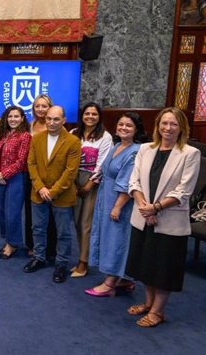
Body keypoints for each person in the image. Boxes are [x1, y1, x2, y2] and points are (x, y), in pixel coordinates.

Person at [124, 108, 200, 327]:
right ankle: (148, 303)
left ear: (182, 128)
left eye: (173, 124)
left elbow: (183, 192)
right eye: (164, 123)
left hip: (169, 220)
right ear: (157, 125)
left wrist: (155, 208)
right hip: (143, 216)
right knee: (145, 264)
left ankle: (157, 312)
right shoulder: (145, 149)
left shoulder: (189, 153)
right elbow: (134, 181)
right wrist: (144, 208)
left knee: (164, 268)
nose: (168, 128)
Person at [85, 112, 144, 297]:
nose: (123, 128)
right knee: (109, 237)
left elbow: (128, 183)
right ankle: (125, 278)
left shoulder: (135, 151)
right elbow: (105, 169)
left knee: (116, 240)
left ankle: (110, 282)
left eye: (129, 126)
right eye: (121, 125)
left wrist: (117, 206)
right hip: (106, 196)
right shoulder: (117, 145)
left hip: (121, 202)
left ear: (136, 130)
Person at [23, 105, 81, 284]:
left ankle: (61, 263)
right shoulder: (37, 138)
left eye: (56, 119)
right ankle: (39, 257)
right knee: (38, 228)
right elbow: (31, 164)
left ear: (63, 120)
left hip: (61, 195)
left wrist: (53, 191)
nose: (51, 122)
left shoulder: (72, 141)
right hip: (38, 192)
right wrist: (40, 187)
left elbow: (70, 172)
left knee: (63, 232)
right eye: (49, 118)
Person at [69, 102, 113, 278]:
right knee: (76, 221)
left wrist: (89, 184)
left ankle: (83, 262)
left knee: (86, 223)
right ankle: (81, 256)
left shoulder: (105, 137)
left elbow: (102, 163)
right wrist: (72, 182)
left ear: (99, 117)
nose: (90, 117)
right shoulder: (73, 133)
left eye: (94, 114)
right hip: (72, 180)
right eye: (87, 113)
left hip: (91, 182)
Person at [0, 106, 31, 259]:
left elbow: (21, 161)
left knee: (12, 212)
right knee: (1, 211)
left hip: (16, 178)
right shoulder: (2, 134)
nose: (13, 119)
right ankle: (7, 239)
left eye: (16, 116)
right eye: (10, 116)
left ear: (22, 118)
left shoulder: (25, 136)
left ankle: (13, 244)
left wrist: (4, 174)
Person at [25, 94, 57, 258]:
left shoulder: (56, 127)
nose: (40, 109)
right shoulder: (31, 125)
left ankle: (50, 249)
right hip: (31, 174)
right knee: (31, 212)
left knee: (50, 214)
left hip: (49, 177)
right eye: (37, 106)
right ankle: (32, 245)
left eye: (44, 106)